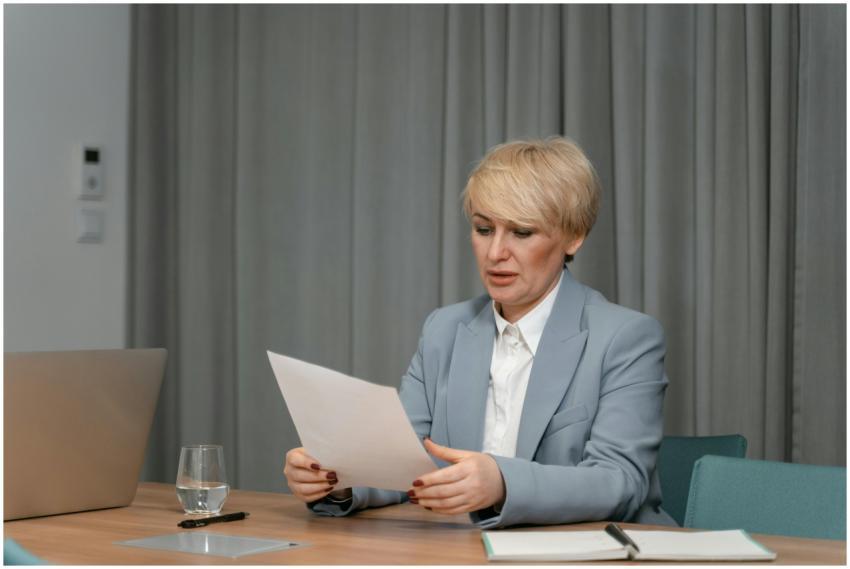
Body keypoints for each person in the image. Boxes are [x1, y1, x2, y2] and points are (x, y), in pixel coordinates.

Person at [283, 137, 674, 528]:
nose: (495, 253)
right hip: (466, 551)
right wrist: (337, 479)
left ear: (574, 237)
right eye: (484, 229)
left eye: (521, 233)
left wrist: (502, 483)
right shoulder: (444, 329)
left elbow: (620, 482)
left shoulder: (626, 337)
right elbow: (404, 463)